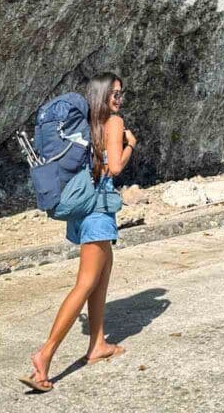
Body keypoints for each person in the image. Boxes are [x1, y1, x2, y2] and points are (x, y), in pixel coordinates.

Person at [20, 73, 137, 392]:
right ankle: (44, 356)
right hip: (97, 209)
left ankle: (97, 343)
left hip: (84, 205)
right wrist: (129, 147)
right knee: (85, 283)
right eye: (114, 93)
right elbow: (113, 168)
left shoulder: (88, 124)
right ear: (101, 94)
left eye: (121, 94)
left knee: (101, 275)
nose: (118, 99)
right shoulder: (113, 124)